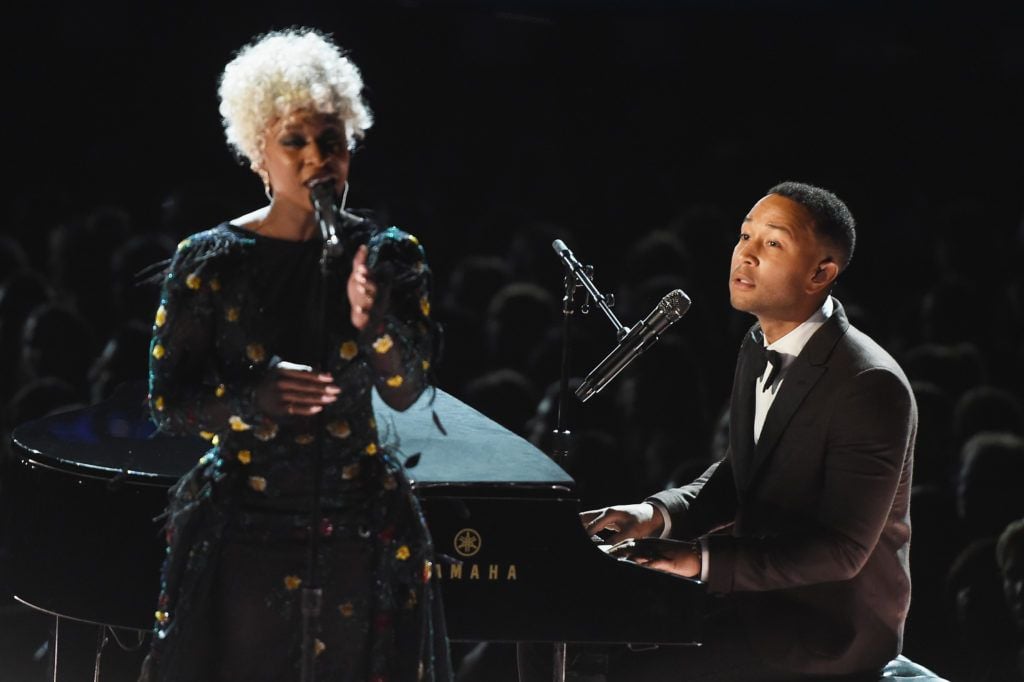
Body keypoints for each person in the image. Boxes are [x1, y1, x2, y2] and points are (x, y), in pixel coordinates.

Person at [138, 28, 451, 682]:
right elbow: (168, 405)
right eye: (294, 141)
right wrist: (255, 400)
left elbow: (405, 391)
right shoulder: (211, 262)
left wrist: (376, 327)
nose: (317, 158)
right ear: (258, 152)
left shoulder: (389, 254)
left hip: (360, 519)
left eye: (331, 141)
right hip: (245, 524)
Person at [581, 182, 917, 681]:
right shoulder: (755, 343)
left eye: (773, 243)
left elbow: (842, 552)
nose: (746, 254)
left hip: (823, 633)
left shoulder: (870, 385)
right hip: (753, 602)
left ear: (821, 272)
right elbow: (742, 475)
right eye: (744, 236)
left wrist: (699, 560)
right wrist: (654, 514)